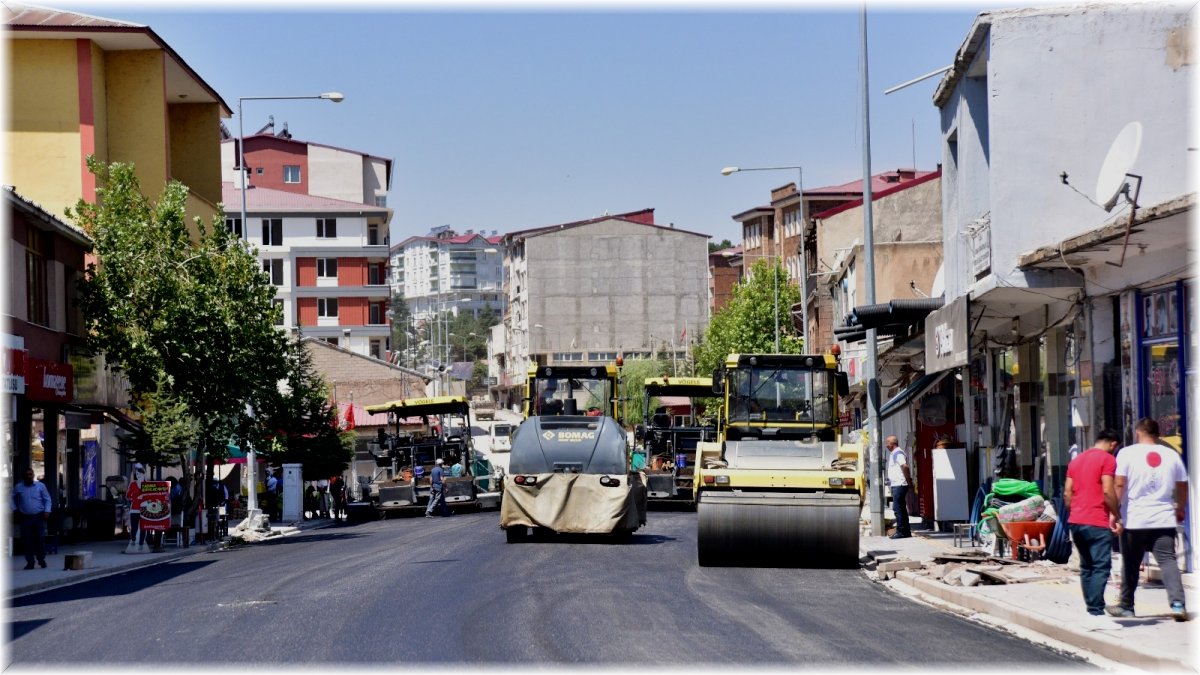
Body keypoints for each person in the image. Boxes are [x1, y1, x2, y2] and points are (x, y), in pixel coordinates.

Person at [1108, 418, 1189, 622]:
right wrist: (1180, 507)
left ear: (1137, 433)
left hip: (1135, 518)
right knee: (1168, 561)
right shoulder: (1171, 455)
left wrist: (1114, 512)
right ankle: (1178, 604)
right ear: (1157, 434)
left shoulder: (1127, 453)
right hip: (1163, 518)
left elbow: (1119, 484)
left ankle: (1126, 606)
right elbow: (1182, 484)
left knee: (1131, 562)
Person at [1063, 429, 1122, 628]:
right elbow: (1108, 490)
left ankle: (1091, 610)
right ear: (1112, 444)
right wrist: (1117, 514)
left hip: (1076, 521)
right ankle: (1096, 612)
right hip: (1097, 520)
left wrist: (1076, 512)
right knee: (1101, 566)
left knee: (1087, 566)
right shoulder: (1107, 460)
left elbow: (1067, 493)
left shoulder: (1076, 461)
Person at [11, 468, 52, 569]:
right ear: (23, 476)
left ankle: (41, 559)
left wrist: (47, 511)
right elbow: (11, 497)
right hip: (25, 517)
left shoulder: (40, 486)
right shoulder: (19, 487)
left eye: (30, 474)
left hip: (38, 516)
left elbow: (47, 499)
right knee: (27, 540)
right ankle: (30, 562)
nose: (29, 476)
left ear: (33, 475)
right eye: (27, 475)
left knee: (40, 539)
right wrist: (14, 509)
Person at [885, 435, 912, 539]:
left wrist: (908, 481)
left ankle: (901, 532)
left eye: (887, 443)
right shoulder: (894, 453)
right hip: (897, 484)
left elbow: (905, 466)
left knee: (898, 509)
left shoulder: (898, 453)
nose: (886, 445)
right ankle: (906, 531)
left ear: (893, 444)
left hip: (899, 484)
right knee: (901, 509)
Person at [126, 463, 149, 550]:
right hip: (134, 509)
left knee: (143, 527)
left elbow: (151, 496)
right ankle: (133, 540)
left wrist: (144, 497)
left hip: (144, 509)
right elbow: (127, 496)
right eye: (137, 474)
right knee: (134, 527)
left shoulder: (147, 485)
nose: (138, 475)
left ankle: (141, 544)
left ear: (143, 474)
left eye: (139, 474)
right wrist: (133, 498)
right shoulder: (132, 484)